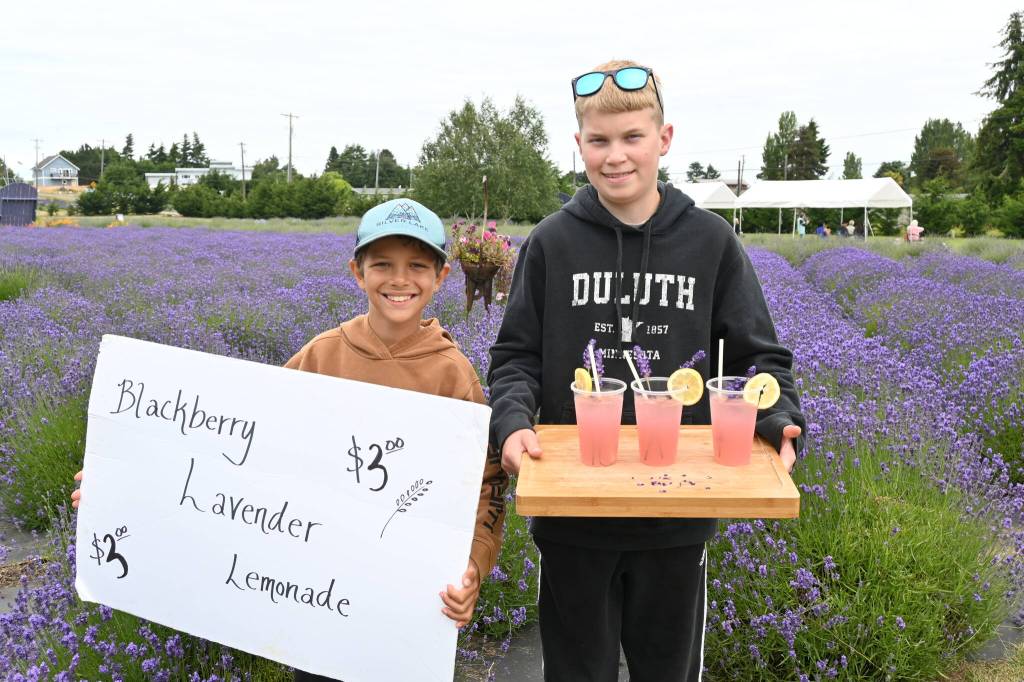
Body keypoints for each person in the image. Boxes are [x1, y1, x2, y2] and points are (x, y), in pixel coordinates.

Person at [73, 199, 508, 682]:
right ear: (357, 272)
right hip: (317, 603)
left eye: (417, 266)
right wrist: (120, 486)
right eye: (382, 264)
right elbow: (240, 448)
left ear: (441, 276)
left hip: (404, 609)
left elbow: (486, 488)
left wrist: (472, 566)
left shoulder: (453, 375)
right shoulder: (321, 356)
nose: (399, 279)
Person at [487, 59, 806, 682]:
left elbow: (758, 359)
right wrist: (511, 421)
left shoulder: (710, 241)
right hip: (573, 514)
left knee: (670, 670)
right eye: (599, 141)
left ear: (664, 139)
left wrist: (777, 418)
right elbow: (515, 357)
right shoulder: (552, 242)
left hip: (677, 516)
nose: (615, 157)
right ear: (578, 144)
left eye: (632, 137)